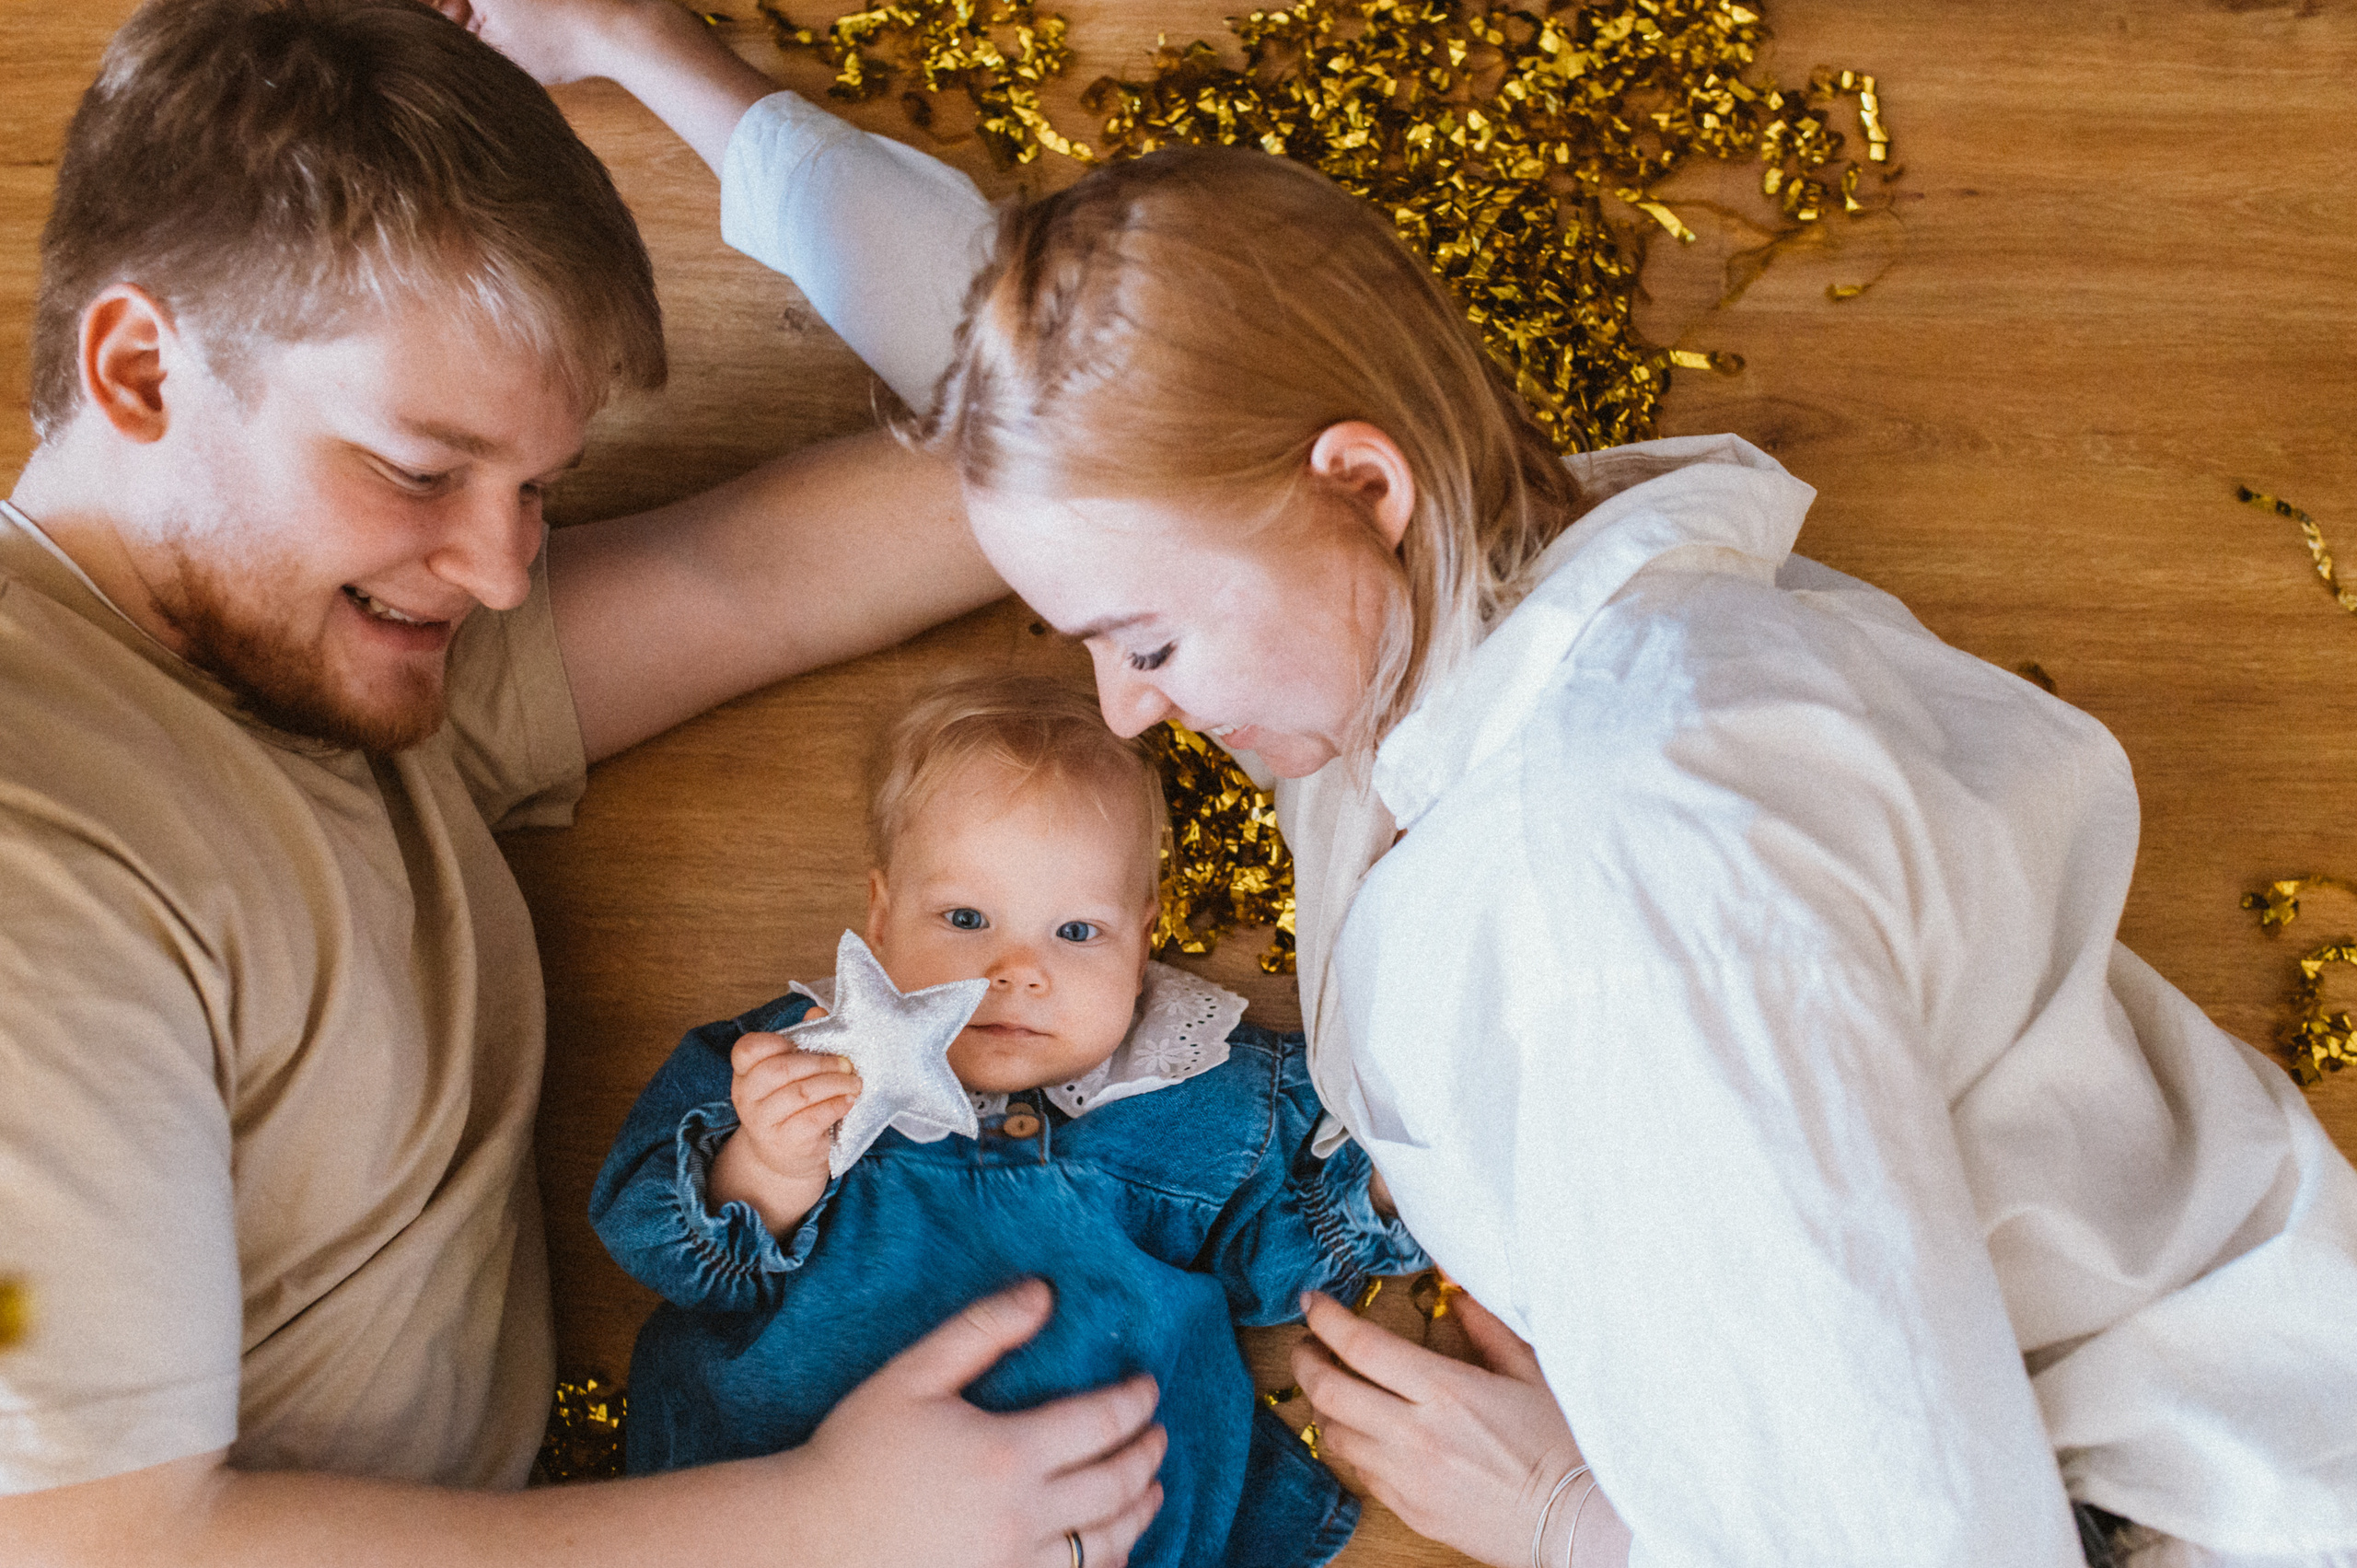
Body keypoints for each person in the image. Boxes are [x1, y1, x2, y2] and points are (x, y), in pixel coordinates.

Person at [435, 3, 2357, 1564]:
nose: (1118, 705)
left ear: (1353, 478)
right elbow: (1016, 354)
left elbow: (1916, 1530)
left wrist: (1575, 1517)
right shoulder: (1447, 579)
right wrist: (655, 55)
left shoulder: (1625, 896)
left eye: (1149, 639)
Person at [0, 3, 1168, 1564]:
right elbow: (102, 1546)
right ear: (143, 370)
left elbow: (945, 500)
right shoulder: (40, 838)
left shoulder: (304, 630)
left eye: (535, 487)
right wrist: (816, 1523)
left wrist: (656, 55)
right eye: (421, 471)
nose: (495, 568)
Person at [591, 672, 1426, 1568]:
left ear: (1141, 938)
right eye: (964, 917)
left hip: (1105, 1509)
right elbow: (662, 1247)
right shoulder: (804, 1059)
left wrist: (1381, 1183)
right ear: (878, 915)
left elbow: (1273, 1260)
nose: (1015, 969)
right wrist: (769, 1166)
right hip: (797, 1486)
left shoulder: (1200, 1081)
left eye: (1075, 931)